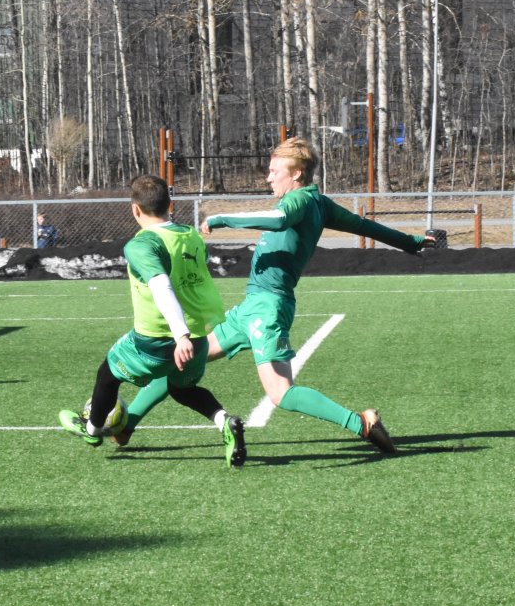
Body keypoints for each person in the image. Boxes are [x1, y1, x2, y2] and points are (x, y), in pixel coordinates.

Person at [114, 137, 435, 453]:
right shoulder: (318, 203)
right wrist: (410, 242)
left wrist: (223, 218)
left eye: (274, 171)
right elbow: (364, 226)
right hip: (252, 306)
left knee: (281, 392)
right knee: (184, 359)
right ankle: (127, 425)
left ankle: (361, 423)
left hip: (268, 307)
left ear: (296, 174)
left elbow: (279, 220)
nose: (268, 177)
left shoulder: (302, 201)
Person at [58, 174, 246, 467]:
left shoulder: (142, 244)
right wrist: (187, 334)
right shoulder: (190, 235)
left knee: (108, 374)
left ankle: (92, 430)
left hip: (156, 338)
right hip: (198, 335)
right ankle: (225, 422)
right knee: (182, 390)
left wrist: (179, 335)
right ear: (170, 205)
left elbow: (161, 285)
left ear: (135, 209)